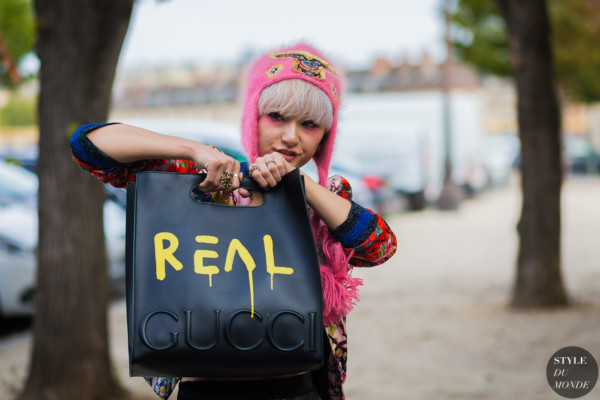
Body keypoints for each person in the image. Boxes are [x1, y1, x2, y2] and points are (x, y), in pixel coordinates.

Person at [70, 42, 397, 400]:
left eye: (309, 124)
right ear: (252, 116)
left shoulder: (324, 197)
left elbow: (380, 247)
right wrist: (194, 151)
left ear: (324, 138)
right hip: (208, 390)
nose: (291, 136)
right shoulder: (201, 178)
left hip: (298, 389)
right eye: (277, 116)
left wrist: (300, 185)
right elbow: (87, 146)